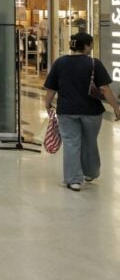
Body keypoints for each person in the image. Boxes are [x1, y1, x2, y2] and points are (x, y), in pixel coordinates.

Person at [43, 32, 120, 191]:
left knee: (71, 143)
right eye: (91, 44)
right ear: (86, 46)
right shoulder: (94, 64)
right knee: (90, 141)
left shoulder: (60, 62)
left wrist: (47, 103)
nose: (91, 47)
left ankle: (73, 180)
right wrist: (116, 108)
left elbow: (51, 87)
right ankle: (90, 173)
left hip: (67, 111)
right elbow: (105, 89)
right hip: (92, 112)